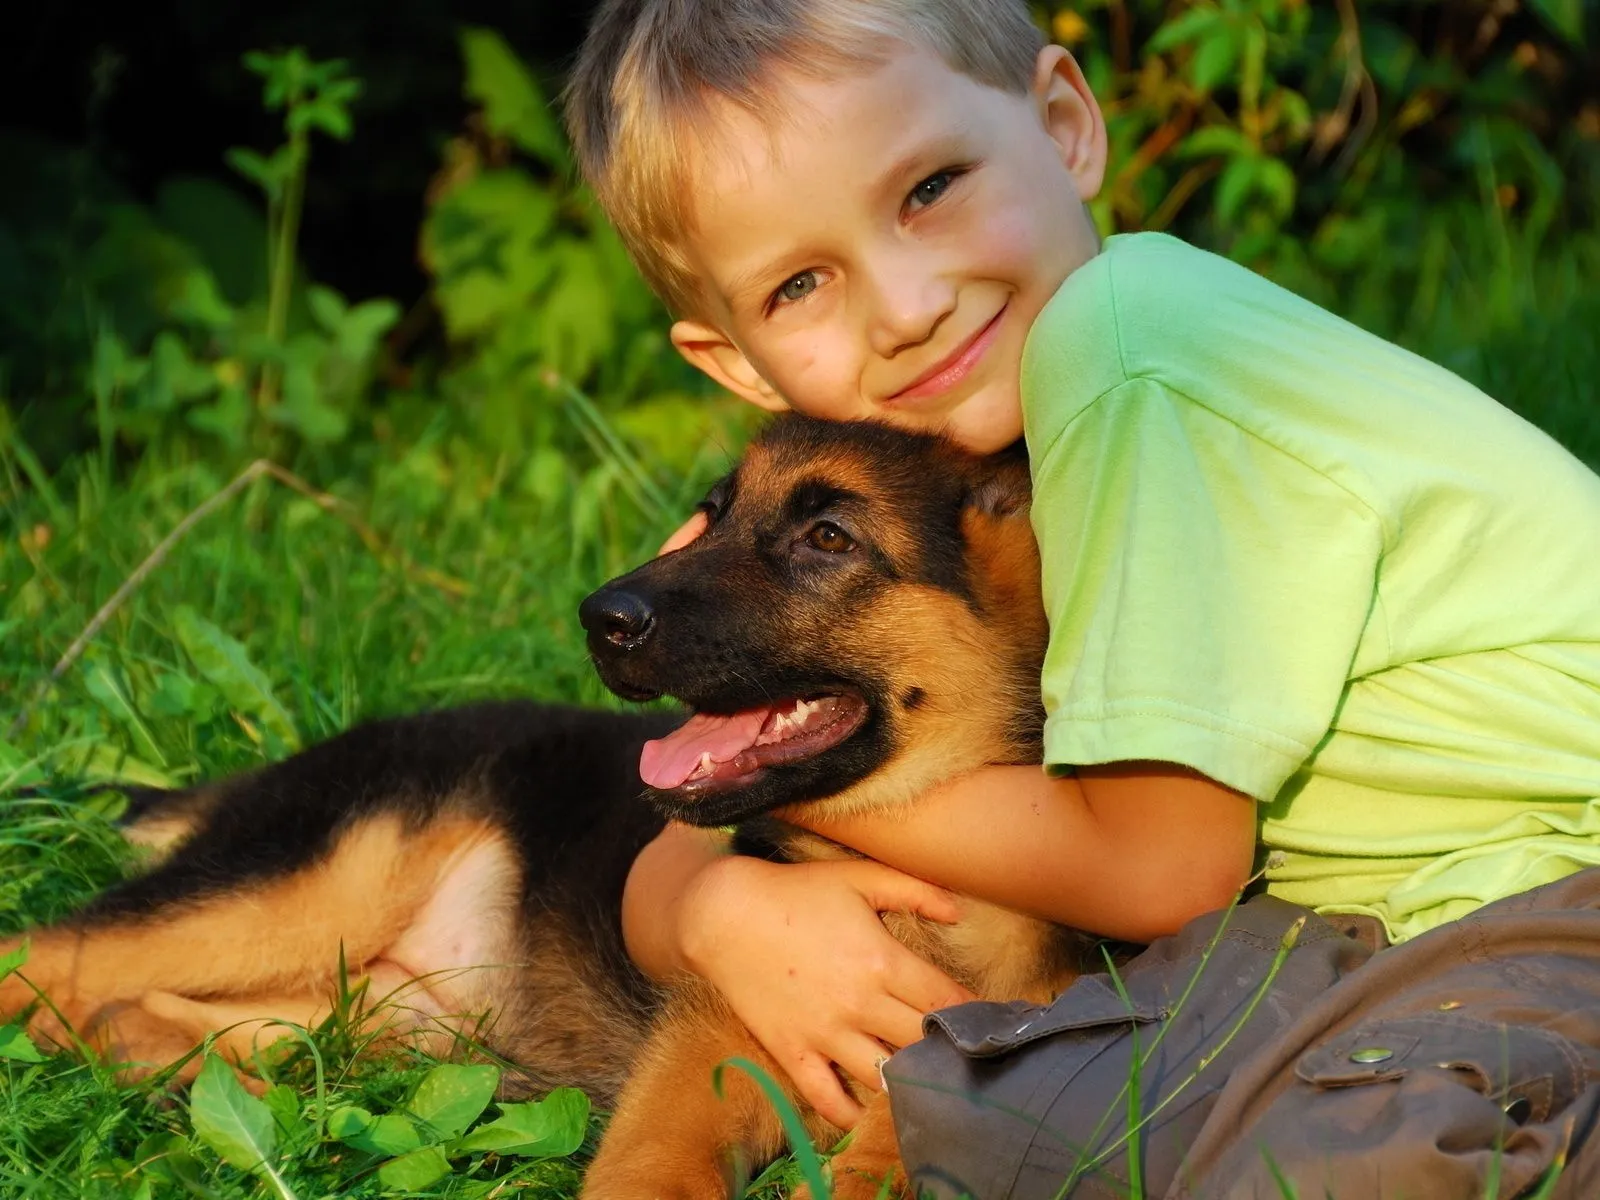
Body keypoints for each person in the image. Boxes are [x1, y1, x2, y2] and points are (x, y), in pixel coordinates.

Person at [562, 1, 1600, 1194]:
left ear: (1063, 127)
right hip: (1373, 918)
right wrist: (716, 899)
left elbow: (1158, 872)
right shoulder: (1013, 460)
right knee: (999, 1102)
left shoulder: (1124, 356)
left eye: (929, 187)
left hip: (1547, 885)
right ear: (735, 363)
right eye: (800, 281)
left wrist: (771, 775)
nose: (905, 306)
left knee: (1315, 1161)